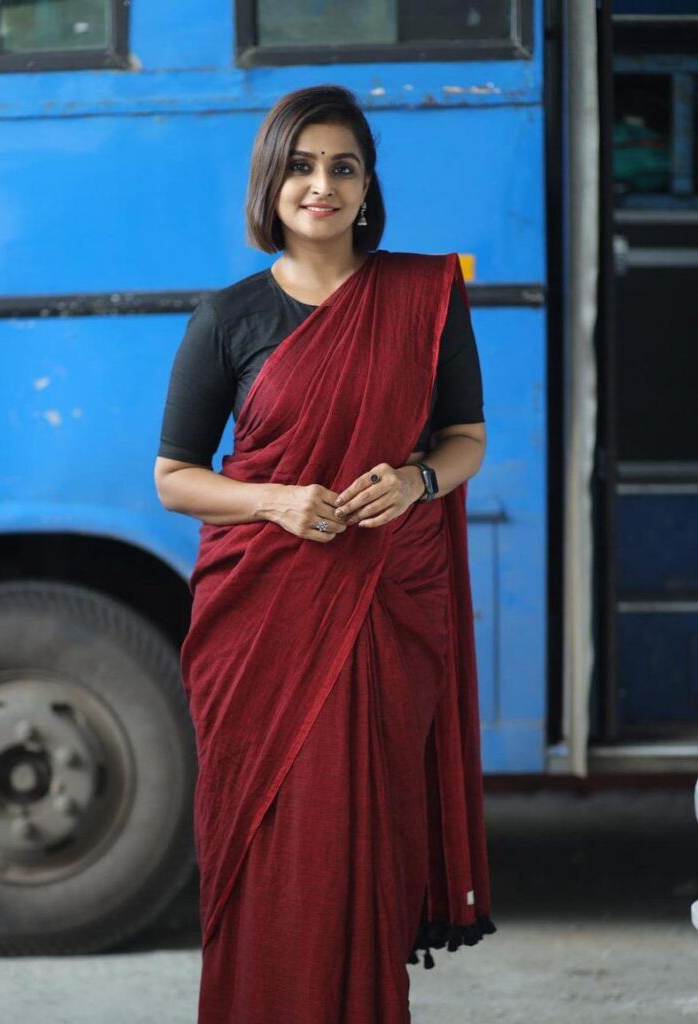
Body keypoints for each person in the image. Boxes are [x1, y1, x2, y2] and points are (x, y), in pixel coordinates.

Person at [155, 83, 496, 1024]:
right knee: (270, 849)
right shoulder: (226, 318)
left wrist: (417, 483)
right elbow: (175, 477)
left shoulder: (424, 296)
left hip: (386, 615)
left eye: (343, 166)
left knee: (364, 851)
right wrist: (272, 500)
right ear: (270, 185)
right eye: (301, 166)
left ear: (366, 184)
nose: (322, 185)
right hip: (261, 622)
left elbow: (463, 438)